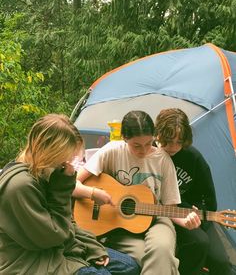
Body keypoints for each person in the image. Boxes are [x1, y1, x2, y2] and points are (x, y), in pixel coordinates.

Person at [0, 113, 140, 275]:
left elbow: (67, 222)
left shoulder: (48, 172)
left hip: (58, 243)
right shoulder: (21, 186)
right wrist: (63, 186)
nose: (70, 164)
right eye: (67, 158)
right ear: (50, 152)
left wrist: (92, 246)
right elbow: (51, 237)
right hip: (30, 259)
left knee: (128, 266)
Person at [73, 110, 201, 275]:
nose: (143, 150)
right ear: (125, 138)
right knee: (142, 259)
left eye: (148, 143)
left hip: (157, 217)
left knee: (162, 250)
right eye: (137, 145)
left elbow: (171, 206)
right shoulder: (112, 151)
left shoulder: (163, 160)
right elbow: (72, 184)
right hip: (122, 224)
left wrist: (186, 221)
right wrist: (93, 193)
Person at [154, 108, 233, 275]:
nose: (173, 147)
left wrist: (198, 209)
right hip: (159, 214)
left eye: (179, 142)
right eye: (168, 141)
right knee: (199, 243)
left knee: (222, 263)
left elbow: (209, 199)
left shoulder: (193, 157)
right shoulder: (149, 153)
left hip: (190, 214)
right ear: (158, 134)